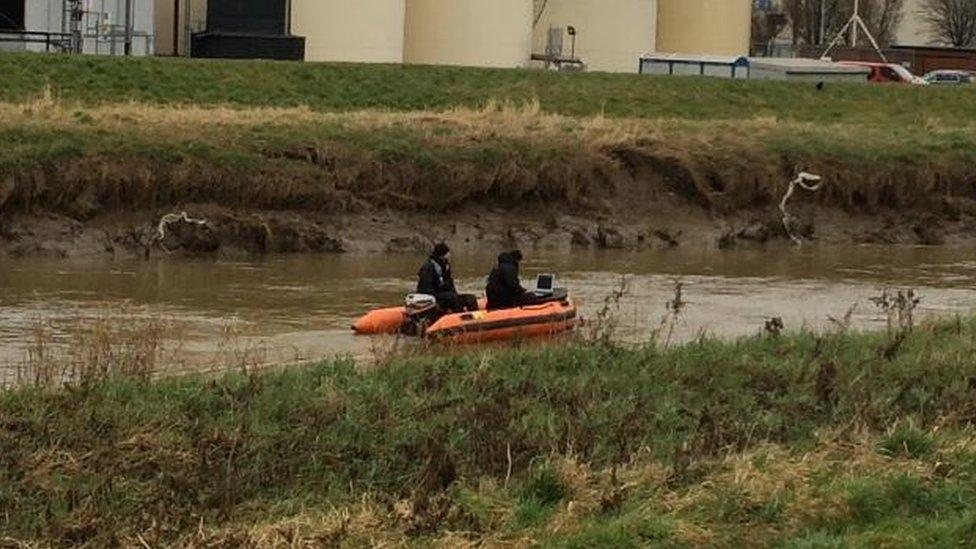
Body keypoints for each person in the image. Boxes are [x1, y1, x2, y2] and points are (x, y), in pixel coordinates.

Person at [417, 243, 478, 313]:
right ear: (443, 254)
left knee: (470, 298)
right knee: (454, 298)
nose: (450, 255)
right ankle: (456, 319)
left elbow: (450, 283)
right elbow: (424, 289)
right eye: (448, 253)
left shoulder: (445, 266)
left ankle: (474, 320)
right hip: (433, 296)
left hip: (445, 295)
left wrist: (454, 294)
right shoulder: (428, 267)